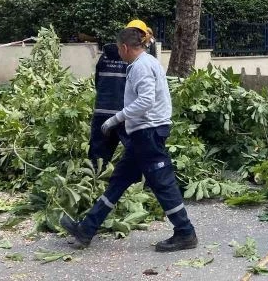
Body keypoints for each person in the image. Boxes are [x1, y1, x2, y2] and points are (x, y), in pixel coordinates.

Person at [61, 28, 197, 252]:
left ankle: (185, 232)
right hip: (144, 133)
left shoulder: (141, 66)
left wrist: (116, 119)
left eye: (119, 49)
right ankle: (86, 229)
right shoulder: (146, 62)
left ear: (124, 47)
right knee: (119, 181)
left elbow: (145, 101)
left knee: (162, 183)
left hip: (148, 133)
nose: (119, 53)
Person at [88, 43, 129, 169]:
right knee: (135, 149)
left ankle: (95, 179)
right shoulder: (131, 60)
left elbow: (97, 83)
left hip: (102, 110)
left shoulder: (103, 58)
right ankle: (137, 181)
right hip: (124, 113)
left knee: (98, 153)